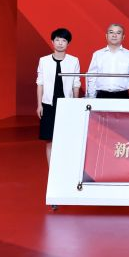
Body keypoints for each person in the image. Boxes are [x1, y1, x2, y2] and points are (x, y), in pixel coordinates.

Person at [36, 28, 81, 162]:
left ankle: (64, 167)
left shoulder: (74, 61)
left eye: (64, 40)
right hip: (48, 104)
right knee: (49, 140)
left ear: (68, 43)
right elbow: (40, 83)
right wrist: (39, 105)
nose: (60, 43)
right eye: (57, 40)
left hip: (67, 104)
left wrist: (75, 103)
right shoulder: (44, 60)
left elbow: (76, 84)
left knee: (66, 139)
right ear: (52, 42)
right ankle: (51, 171)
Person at [86, 23, 129, 99]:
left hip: (122, 96)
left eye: (118, 33)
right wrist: (91, 98)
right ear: (106, 36)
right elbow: (92, 78)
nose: (114, 35)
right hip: (101, 96)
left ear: (123, 37)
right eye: (111, 32)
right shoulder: (97, 54)